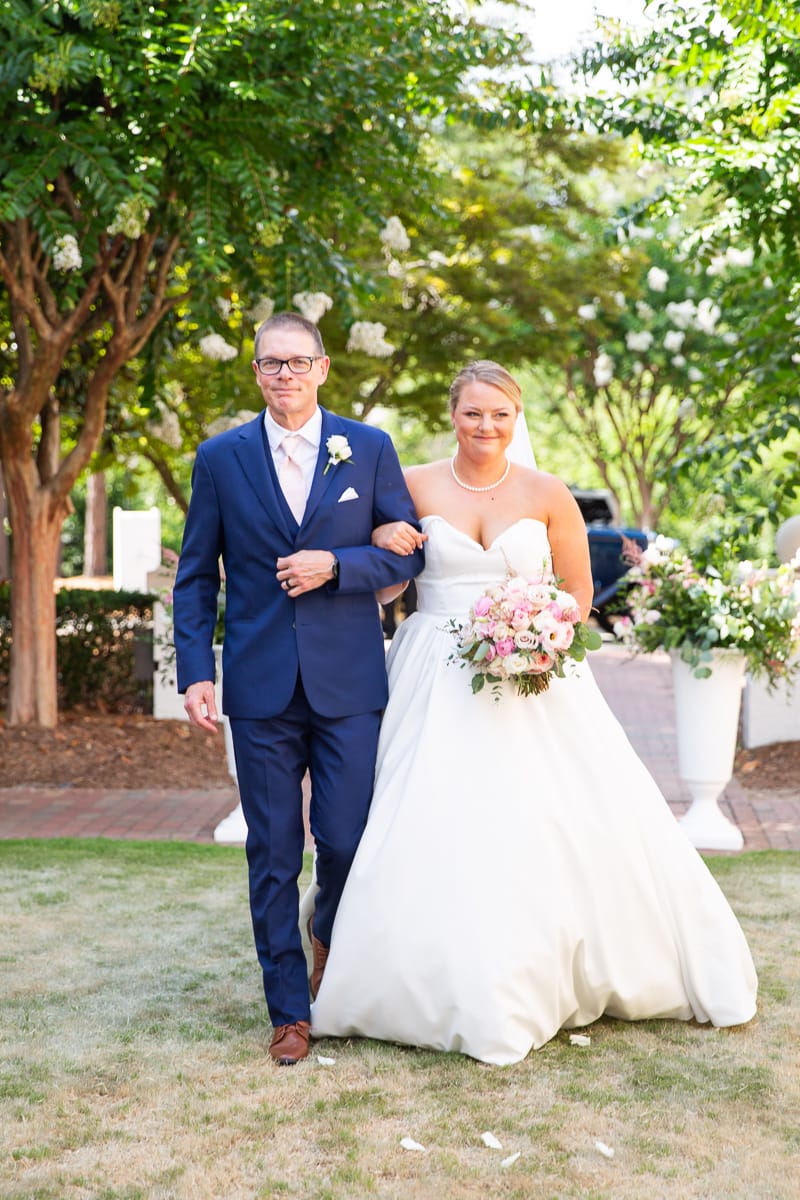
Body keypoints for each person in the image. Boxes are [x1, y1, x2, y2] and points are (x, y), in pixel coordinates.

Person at [309, 360, 758, 1065]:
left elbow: (579, 593)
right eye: (472, 413)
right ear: (452, 415)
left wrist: (535, 629)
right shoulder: (414, 484)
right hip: (434, 669)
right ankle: (403, 974)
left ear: (517, 419)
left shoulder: (549, 494)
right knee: (425, 815)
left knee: (548, 816)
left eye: (500, 415)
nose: (486, 426)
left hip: (537, 676)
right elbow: (387, 577)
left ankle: (553, 968)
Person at [172, 311, 425, 1066]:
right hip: (258, 686)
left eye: (296, 362)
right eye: (269, 364)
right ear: (256, 373)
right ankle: (289, 1009)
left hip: (348, 682)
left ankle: (329, 940)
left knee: (345, 840)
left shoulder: (370, 448)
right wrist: (197, 671)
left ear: (321, 368)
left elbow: (409, 555)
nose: (284, 375)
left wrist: (338, 566)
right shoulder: (220, 459)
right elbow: (195, 576)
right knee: (274, 851)